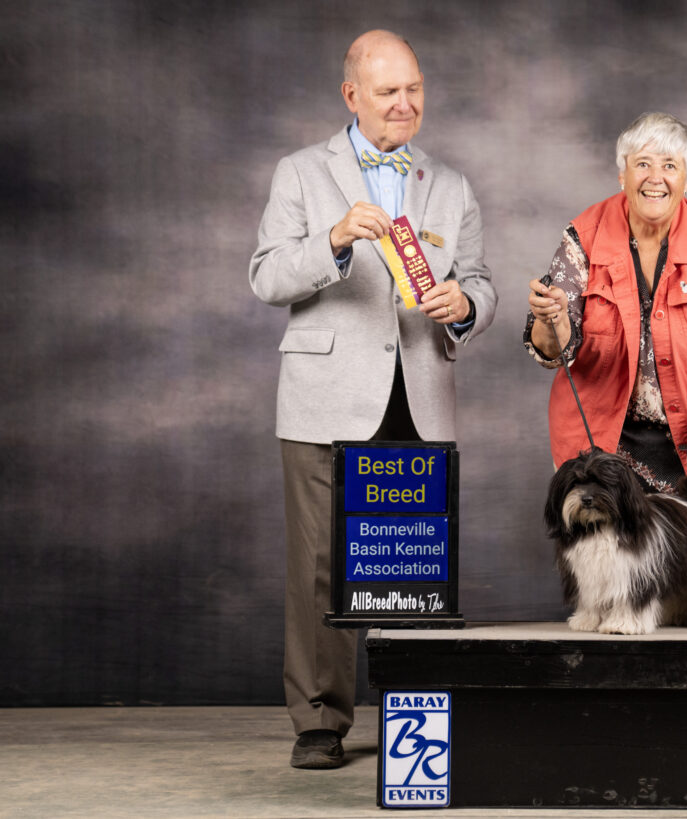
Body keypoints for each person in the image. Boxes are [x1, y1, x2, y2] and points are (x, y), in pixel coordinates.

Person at [249, 29, 496, 769]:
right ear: (351, 95)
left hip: (420, 396)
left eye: (414, 89)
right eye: (388, 92)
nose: (404, 104)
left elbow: (480, 282)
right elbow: (266, 277)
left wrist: (466, 305)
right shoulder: (301, 172)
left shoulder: (449, 184)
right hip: (324, 397)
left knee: (413, 565)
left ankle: (414, 716)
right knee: (319, 567)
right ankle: (319, 720)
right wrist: (332, 239)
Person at [525, 112, 687, 504]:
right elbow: (553, 351)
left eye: (670, 166)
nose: (655, 178)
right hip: (601, 450)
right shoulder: (581, 238)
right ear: (623, 174)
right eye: (643, 164)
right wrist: (553, 319)